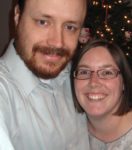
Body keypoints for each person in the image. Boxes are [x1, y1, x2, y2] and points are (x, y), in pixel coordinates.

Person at [0, 0, 91, 149]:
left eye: (70, 27)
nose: (57, 43)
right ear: (17, 16)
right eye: (43, 22)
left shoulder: (78, 76)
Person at [71, 38, 132, 150]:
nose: (93, 83)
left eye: (107, 72)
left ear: (124, 82)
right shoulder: (69, 126)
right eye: (84, 72)